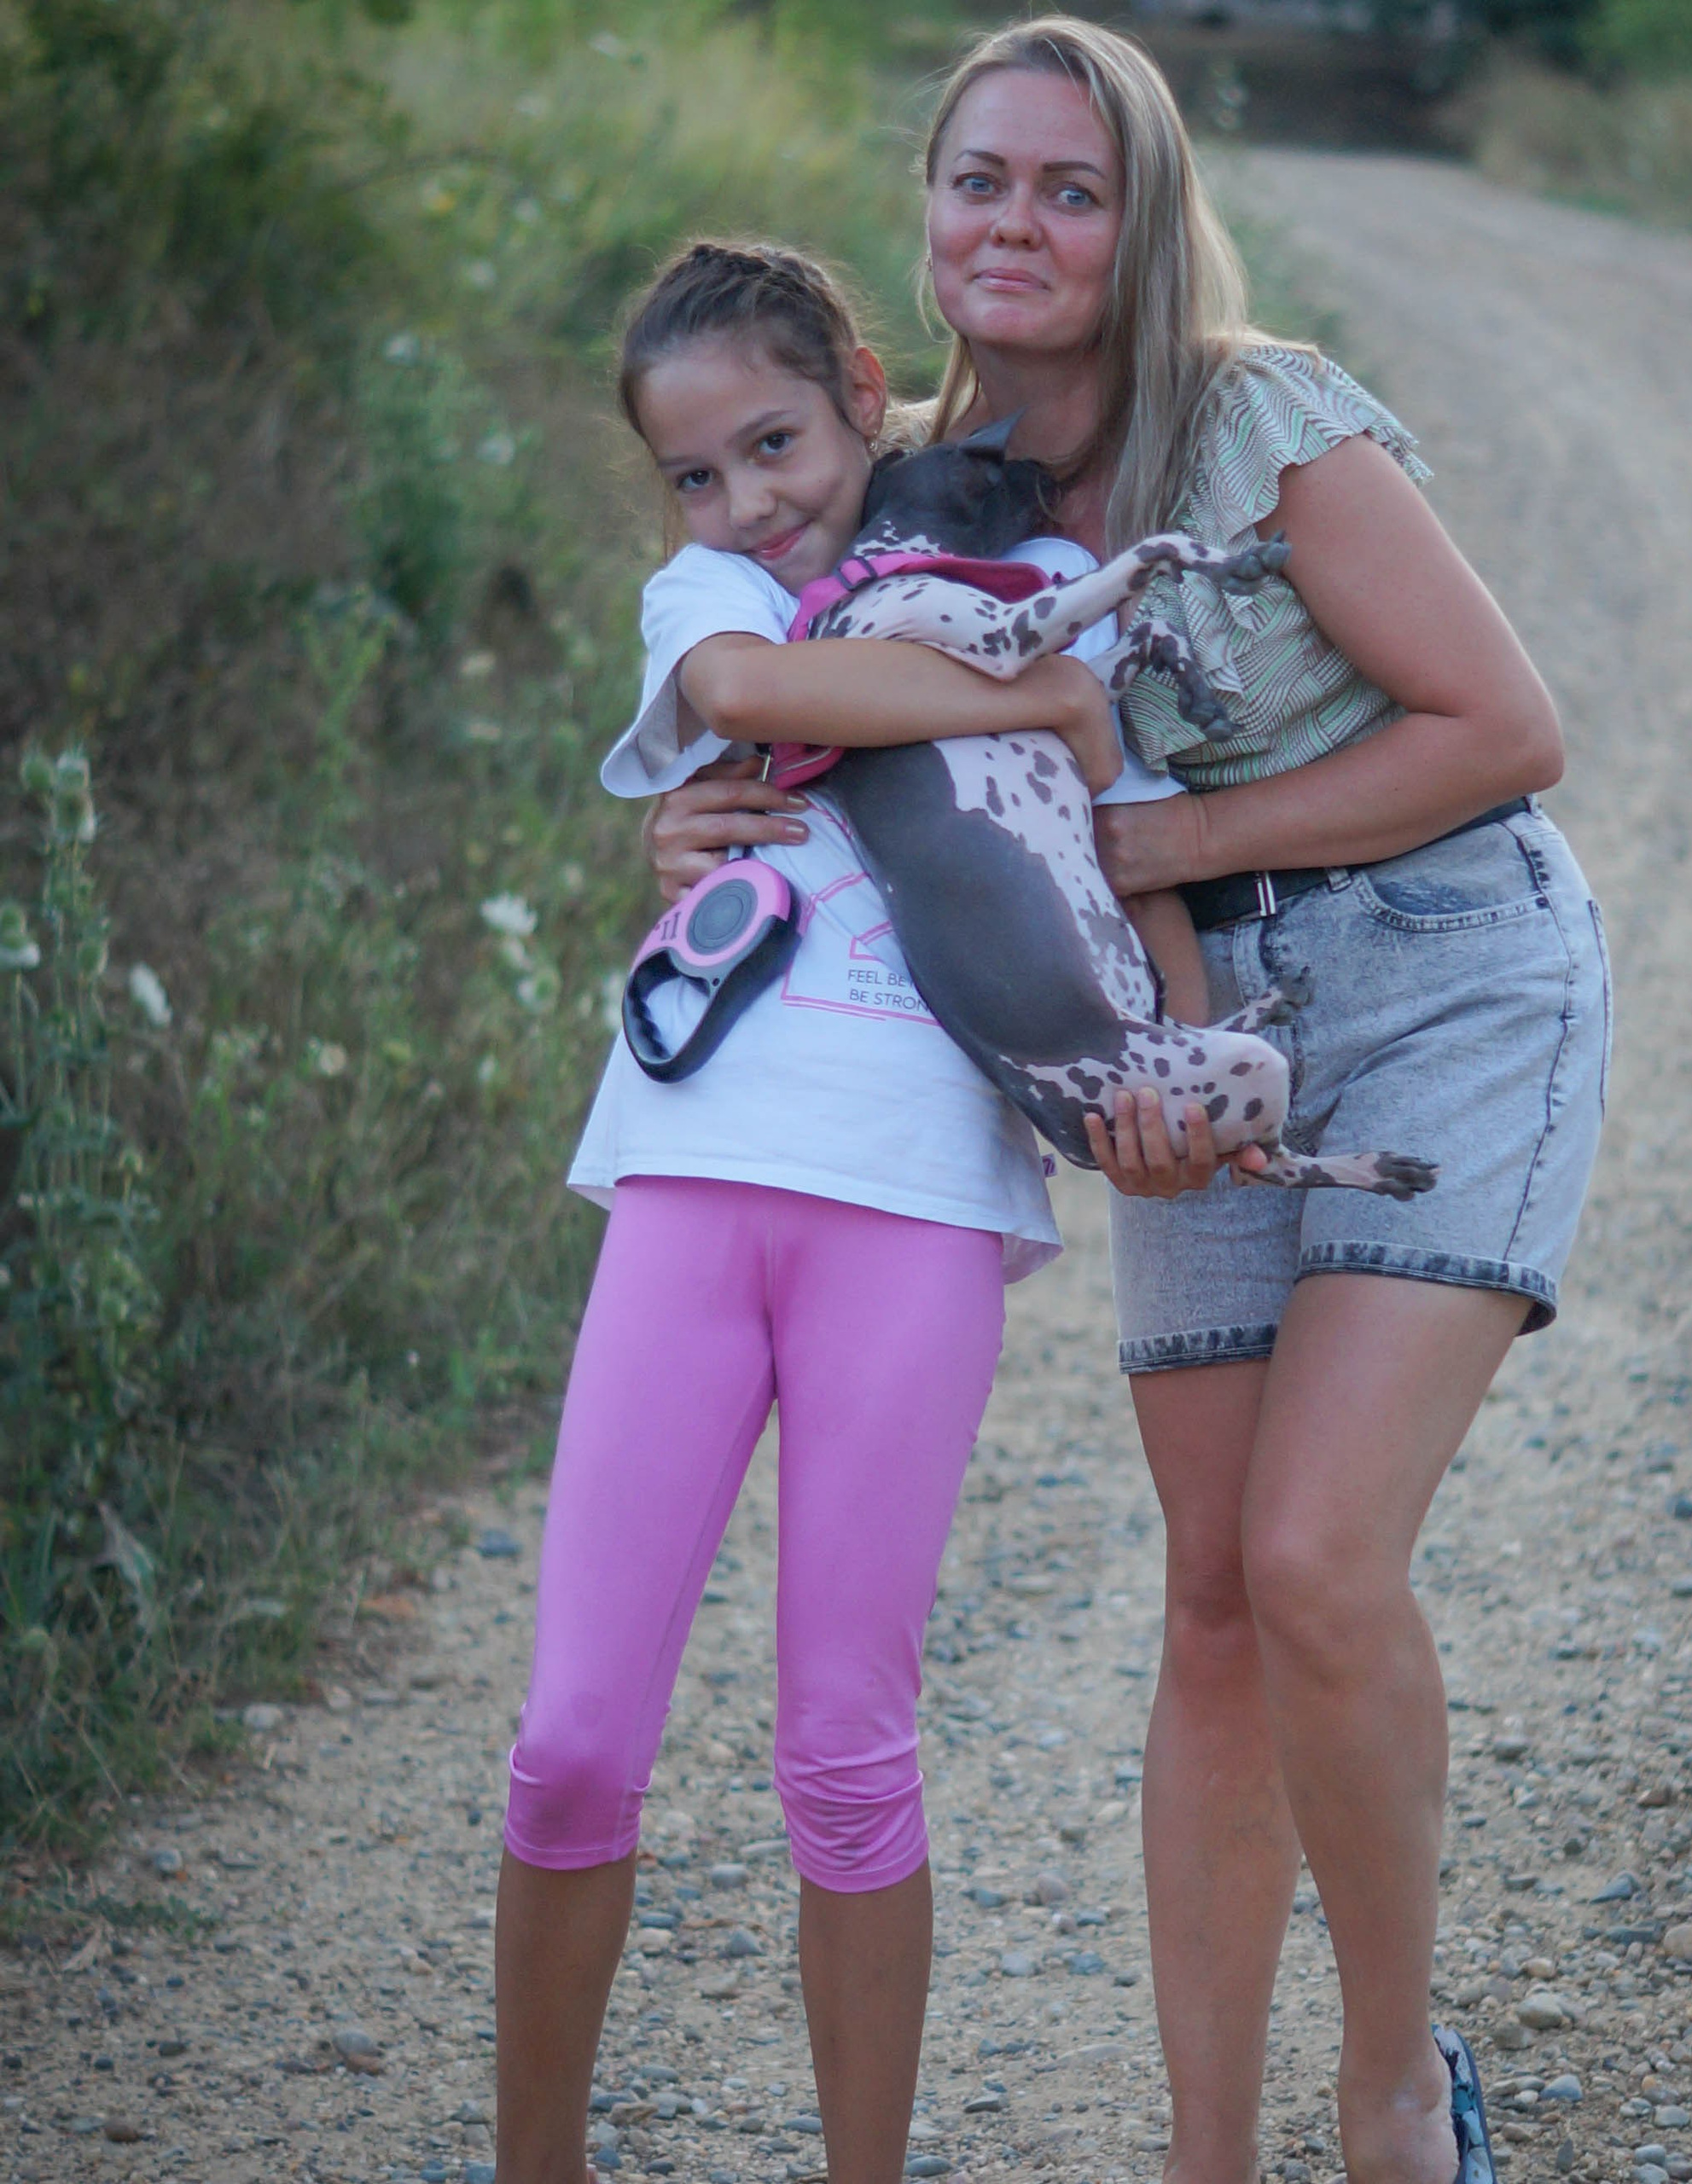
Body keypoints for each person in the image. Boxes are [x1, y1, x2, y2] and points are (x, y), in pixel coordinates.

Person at [644, 25, 1608, 2184]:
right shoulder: (890, 472)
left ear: (1142, 221)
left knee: (1311, 1555)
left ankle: (1387, 2088)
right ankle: (1202, 2156)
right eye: (979, 179)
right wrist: (691, 829)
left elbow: (1501, 728)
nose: (1014, 223)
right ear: (925, 201)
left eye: (1070, 190)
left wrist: (1142, 851)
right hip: (1198, 1026)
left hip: (1446, 970)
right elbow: (834, 737)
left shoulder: (1259, 422)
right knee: (1204, 1595)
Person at [493, 238, 1160, 2184]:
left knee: (845, 1749)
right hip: (693, 1176)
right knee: (568, 1742)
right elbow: (748, 682)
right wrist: (1019, 698)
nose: (746, 499)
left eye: (776, 442)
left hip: (915, 1203)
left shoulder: (1032, 579)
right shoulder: (716, 597)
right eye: (697, 471)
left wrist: (1045, 691)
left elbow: (1083, 758)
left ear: (866, 392)